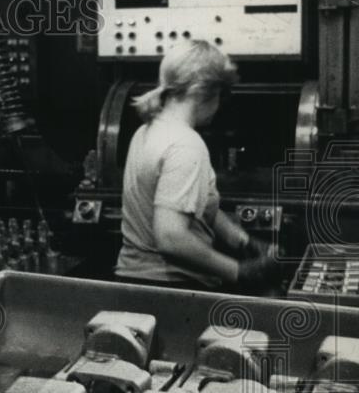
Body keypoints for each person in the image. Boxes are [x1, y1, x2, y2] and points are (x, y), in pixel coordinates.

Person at [115, 39, 280, 291]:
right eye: (220, 95)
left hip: (133, 282)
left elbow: (202, 208)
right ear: (205, 92)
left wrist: (244, 242)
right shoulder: (186, 145)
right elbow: (171, 238)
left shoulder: (145, 131)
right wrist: (240, 272)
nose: (220, 106)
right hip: (170, 289)